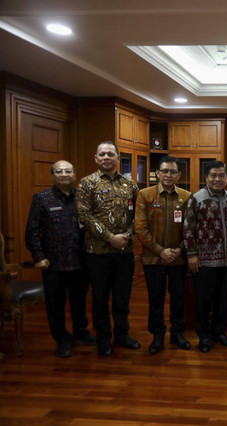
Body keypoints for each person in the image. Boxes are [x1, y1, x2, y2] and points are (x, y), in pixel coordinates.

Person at [25, 160, 95, 358]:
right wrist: (38, 256)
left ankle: (81, 333)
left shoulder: (81, 198)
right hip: (53, 263)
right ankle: (62, 339)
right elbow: (31, 231)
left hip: (79, 261)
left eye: (68, 171)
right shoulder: (42, 199)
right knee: (56, 305)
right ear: (53, 175)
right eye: (59, 171)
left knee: (79, 301)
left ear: (74, 175)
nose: (64, 174)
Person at [77, 141, 140, 356]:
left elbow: (137, 215)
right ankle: (104, 339)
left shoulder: (130, 184)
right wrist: (110, 238)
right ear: (95, 158)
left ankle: (122, 334)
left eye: (110, 154)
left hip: (125, 252)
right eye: (102, 154)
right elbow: (84, 216)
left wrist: (127, 236)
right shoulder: (87, 183)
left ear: (117, 157)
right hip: (97, 253)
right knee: (100, 299)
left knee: (122, 298)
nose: (106, 157)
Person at [135, 156, 191, 354]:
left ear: (179, 175)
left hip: (178, 258)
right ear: (158, 173)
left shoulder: (186, 196)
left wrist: (179, 249)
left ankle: (178, 334)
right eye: (165, 171)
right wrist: (160, 251)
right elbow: (140, 228)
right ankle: (157, 335)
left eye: (173, 172)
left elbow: (190, 227)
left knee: (178, 298)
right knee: (156, 298)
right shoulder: (145, 195)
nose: (168, 175)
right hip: (153, 258)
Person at [183, 160, 227, 353]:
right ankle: (204, 336)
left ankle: (219, 332)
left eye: (221, 175)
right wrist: (191, 255)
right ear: (206, 177)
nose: (217, 179)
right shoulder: (196, 198)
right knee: (203, 302)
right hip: (203, 261)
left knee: (223, 300)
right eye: (213, 175)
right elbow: (188, 229)